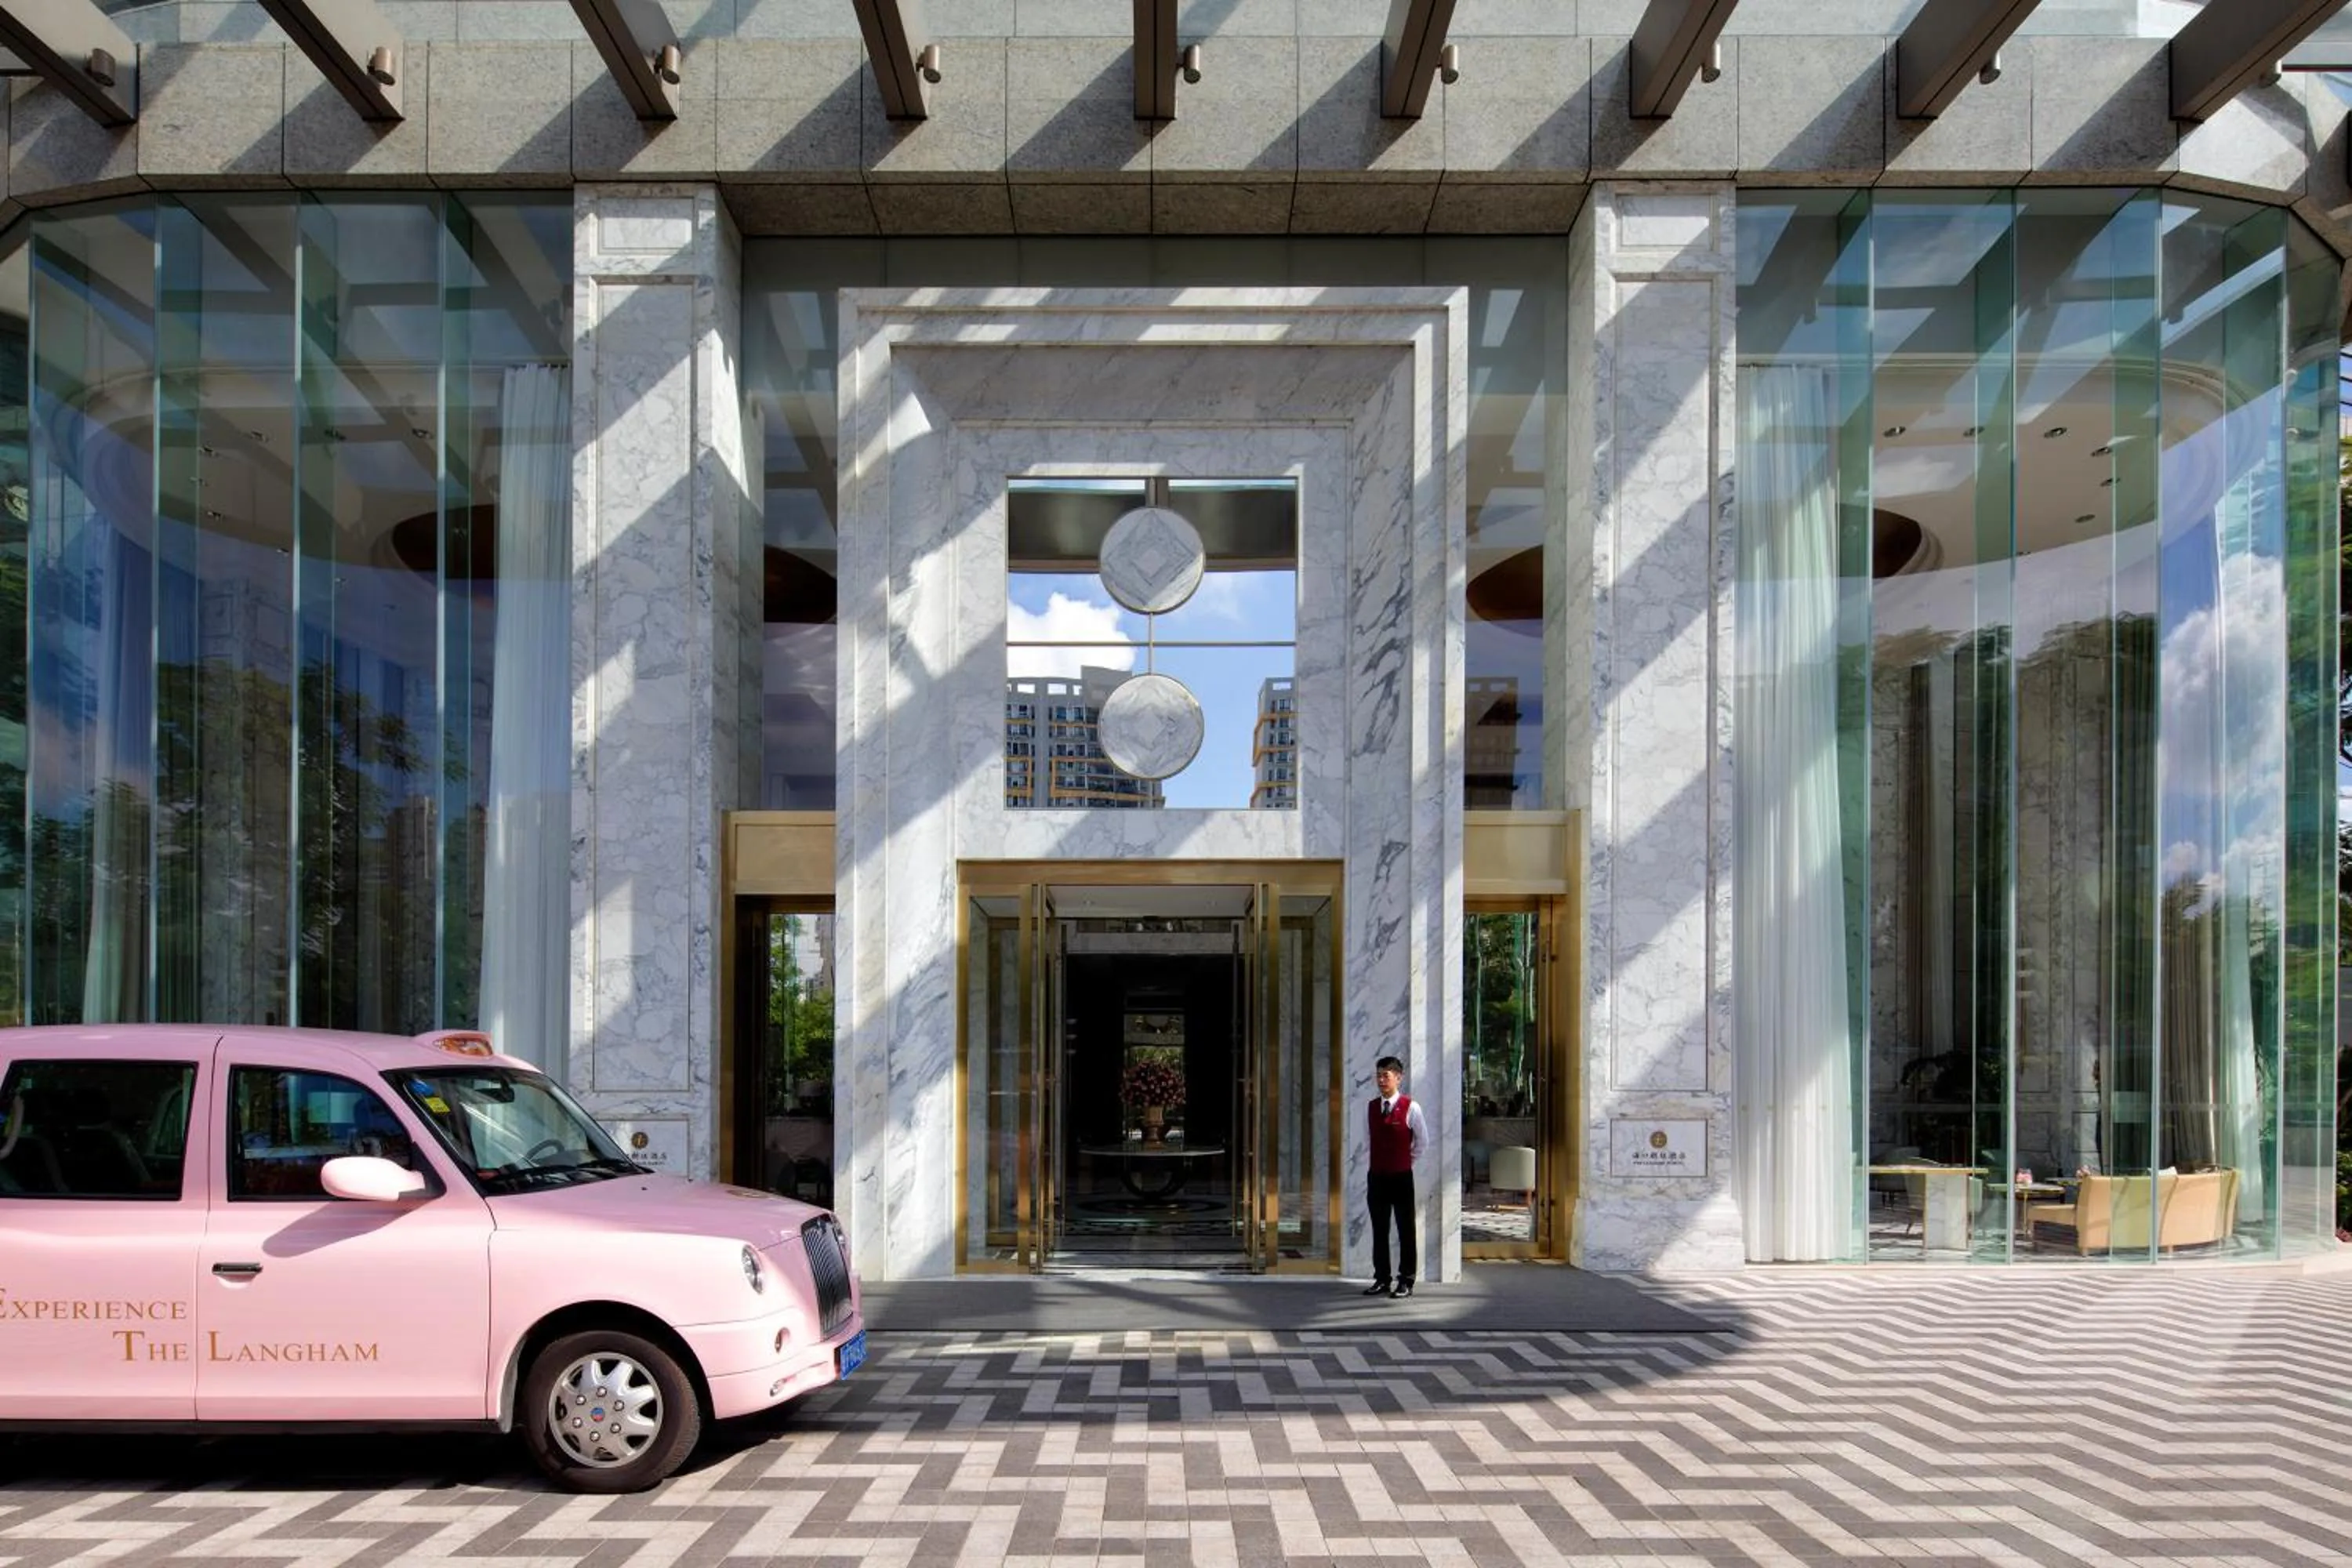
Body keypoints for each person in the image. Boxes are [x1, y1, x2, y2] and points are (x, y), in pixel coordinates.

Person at [1363, 1054, 1427, 1299]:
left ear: (1398, 1078)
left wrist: (1405, 1162)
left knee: (1405, 1230)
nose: (1381, 1080)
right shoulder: (1371, 1107)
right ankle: (1382, 1278)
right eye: (1378, 1075)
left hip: (1401, 1178)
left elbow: (1423, 1142)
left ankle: (1407, 1280)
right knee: (1380, 1229)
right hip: (1376, 1178)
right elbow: (1367, 1139)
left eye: (1386, 1076)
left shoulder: (1411, 1107)